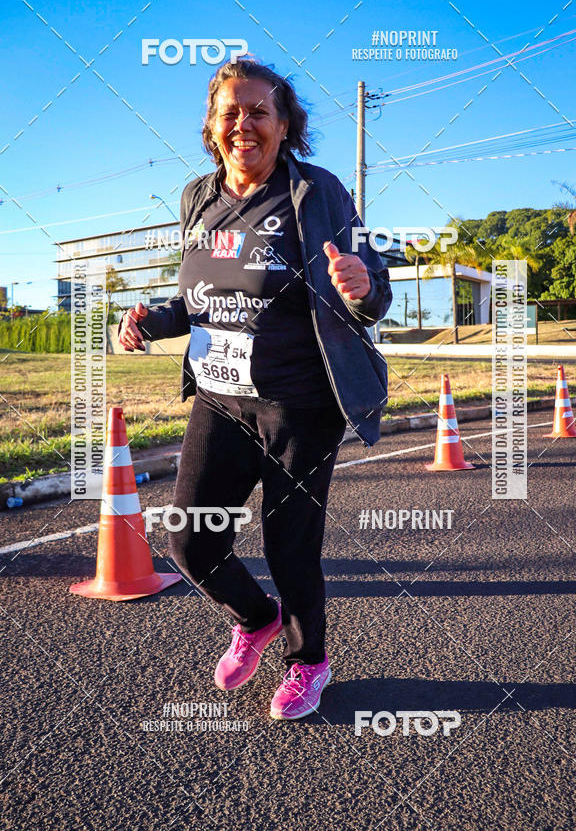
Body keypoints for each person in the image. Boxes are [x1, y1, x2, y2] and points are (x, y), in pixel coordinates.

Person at [118, 58, 392, 720]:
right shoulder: (198, 199)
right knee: (191, 539)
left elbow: (371, 284)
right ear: (213, 126)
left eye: (259, 112)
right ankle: (254, 616)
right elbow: (198, 297)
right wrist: (155, 319)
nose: (244, 124)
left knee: (288, 544)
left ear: (284, 124)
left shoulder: (316, 192)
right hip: (220, 399)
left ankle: (309, 663)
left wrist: (362, 286)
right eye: (230, 112)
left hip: (301, 405)